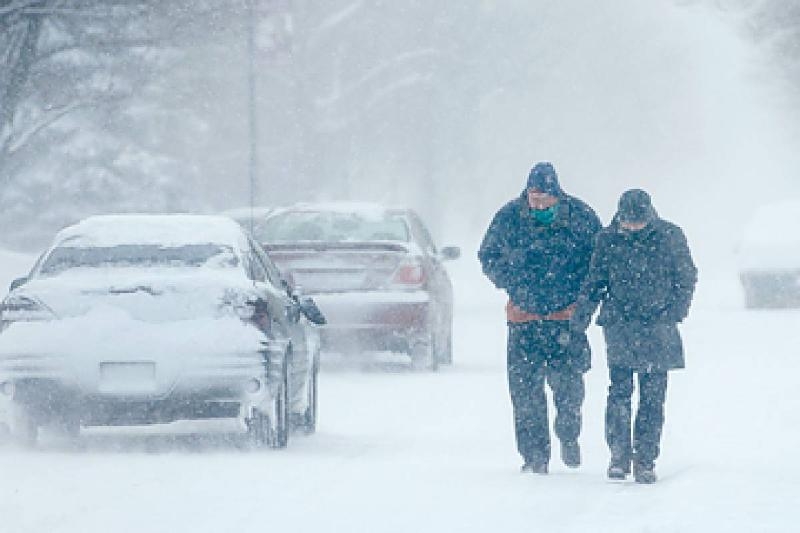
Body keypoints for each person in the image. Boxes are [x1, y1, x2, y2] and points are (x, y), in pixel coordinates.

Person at [478, 162, 602, 474]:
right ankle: (534, 457)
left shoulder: (581, 217)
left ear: (556, 193)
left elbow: (598, 261)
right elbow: (488, 255)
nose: (538, 203)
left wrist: (581, 299)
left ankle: (568, 433)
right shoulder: (509, 217)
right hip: (524, 319)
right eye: (533, 197)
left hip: (566, 319)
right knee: (525, 393)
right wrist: (512, 283)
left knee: (569, 388)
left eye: (544, 197)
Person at [571, 189, 697, 484]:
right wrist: (582, 316)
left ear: (649, 216)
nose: (632, 227)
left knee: (653, 397)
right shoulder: (607, 239)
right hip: (620, 326)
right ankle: (618, 455)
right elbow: (596, 281)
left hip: (658, 326)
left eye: (637, 222)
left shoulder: (670, 236)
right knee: (619, 393)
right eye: (628, 222)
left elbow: (686, 276)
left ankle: (645, 459)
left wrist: (675, 311)